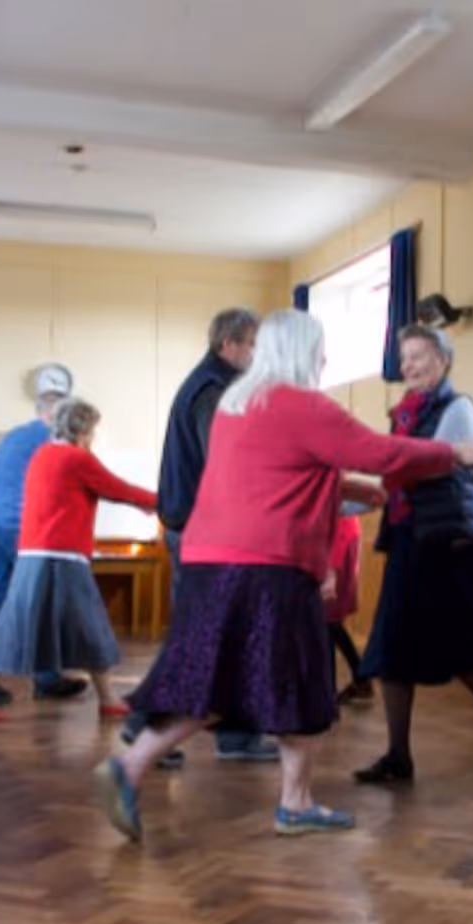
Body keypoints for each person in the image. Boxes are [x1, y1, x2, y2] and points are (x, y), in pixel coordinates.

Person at [93, 309, 473, 843]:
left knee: (215, 679)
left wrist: (349, 490)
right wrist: (457, 451)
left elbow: (279, 476)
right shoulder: (302, 405)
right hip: (267, 569)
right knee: (300, 679)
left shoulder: (238, 406)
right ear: (301, 353)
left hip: (209, 561)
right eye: (320, 349)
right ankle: (296, 802)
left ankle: (132, 765)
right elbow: (381, 451)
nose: (326, 358)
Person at [353, 325, 473, 787]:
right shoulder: (402, 415)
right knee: (392, 647)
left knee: (464, 650)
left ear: (444, 361)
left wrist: (384, 460)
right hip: (407, 538)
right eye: (405, 357)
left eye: (420, 356)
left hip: (448, 544)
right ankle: (398, 755)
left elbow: (432, 460)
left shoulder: (460, 408)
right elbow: (393, 475)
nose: (410, 365)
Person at [122, 307, 279, 769]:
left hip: (194, 525)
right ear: (227, 345)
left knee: (218, 630)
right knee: (208, 631)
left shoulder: (207, 383)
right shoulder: (215, 390)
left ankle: (231, 733)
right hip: (206, 529)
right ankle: (150, 725)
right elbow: (226, 460)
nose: (256, 355)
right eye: (251, 345)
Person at [0, 398, 157, 722]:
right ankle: (108, 699)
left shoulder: (42, 456)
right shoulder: (76, 458)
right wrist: (162, 502)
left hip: (32, 555)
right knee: (90, 626)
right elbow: (116, 488)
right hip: (62, 556)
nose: (93, 437)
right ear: (81, 429)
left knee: (18, 627)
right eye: (92, 430)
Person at [0, 386, 87, 706]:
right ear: (51, 413)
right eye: (65, 413)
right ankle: (46, 679)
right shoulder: (50, 439)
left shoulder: (11, 438)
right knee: (43, 602)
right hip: (24, 529)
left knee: (1, 602)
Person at [323, 502, 378, 705]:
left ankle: (328, 696)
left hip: (336, 567)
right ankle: (360, 679)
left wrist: (331, 572)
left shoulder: (342, 508)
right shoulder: (346, 510)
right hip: (337, 565)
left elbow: (340, 537)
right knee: (331, 626)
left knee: (328, 625)